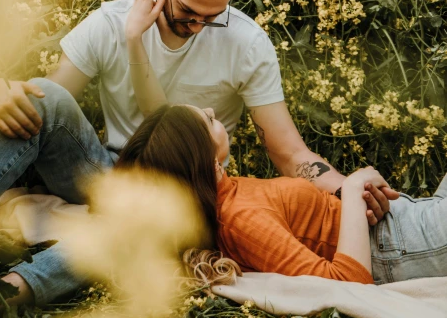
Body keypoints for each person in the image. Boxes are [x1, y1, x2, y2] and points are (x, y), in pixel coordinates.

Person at [0, 0, 391, 308]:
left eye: (211, 18)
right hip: (110, 170)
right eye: (187, 12)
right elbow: (46, 104)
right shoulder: (109, 22)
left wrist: (352, 193)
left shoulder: (248, 43)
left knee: (144, 219)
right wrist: (0, 90)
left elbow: (290, 152)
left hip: (187, 187)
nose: (195, 27)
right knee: (43, 99)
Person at [116, 102, 447, 286]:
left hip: (406, 224)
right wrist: (353, 186)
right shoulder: (240, 221)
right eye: (209, 120)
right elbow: (346, 282)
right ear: (203, 158)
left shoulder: (227, 193)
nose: (212, 111)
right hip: (401, 244)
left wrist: (347, 198)